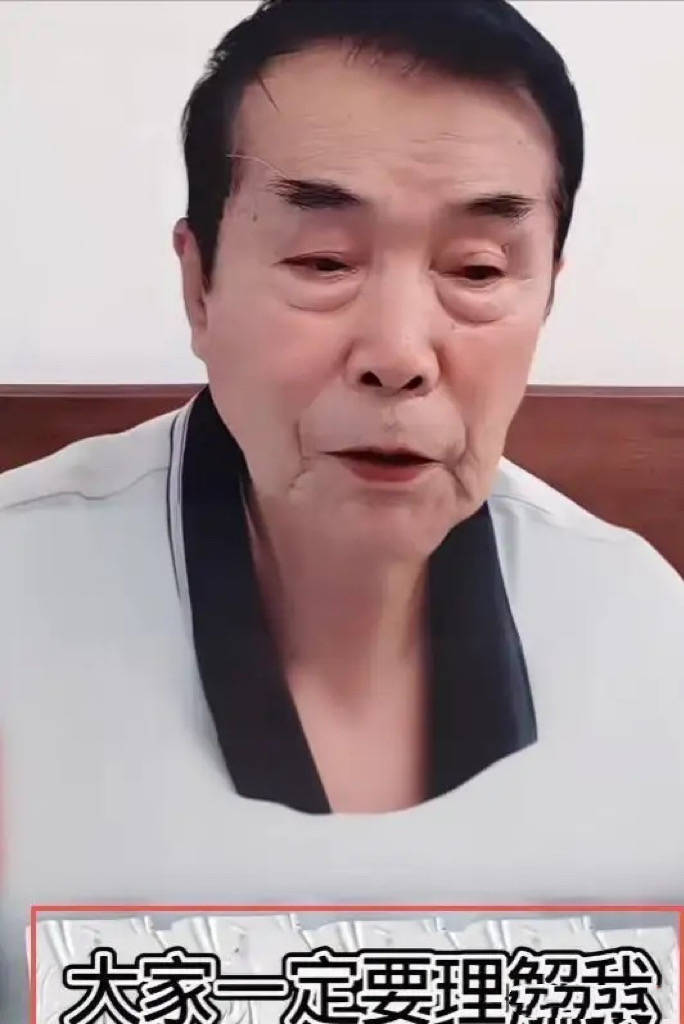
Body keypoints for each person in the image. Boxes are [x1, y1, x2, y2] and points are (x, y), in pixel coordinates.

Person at [1, 0, 683, 1018]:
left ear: (546, 298)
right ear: (199, 287)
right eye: (324, 261)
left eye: (477, 270)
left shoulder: (645, 634)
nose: (399, 353)